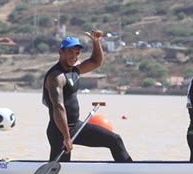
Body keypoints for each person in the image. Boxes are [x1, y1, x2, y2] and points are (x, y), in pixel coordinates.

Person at [42, 31, 133, 163]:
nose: (74, 56)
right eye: (70, 52)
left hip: (76, 126)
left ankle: (128, 171)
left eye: (77, 53)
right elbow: (58, 108)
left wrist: (96, 42)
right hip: (59, 131)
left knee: (115, 140)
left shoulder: (75, 71)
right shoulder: (56, 77)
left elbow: (96, 61)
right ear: (61, 52)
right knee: (62, 173)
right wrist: (66, 137)